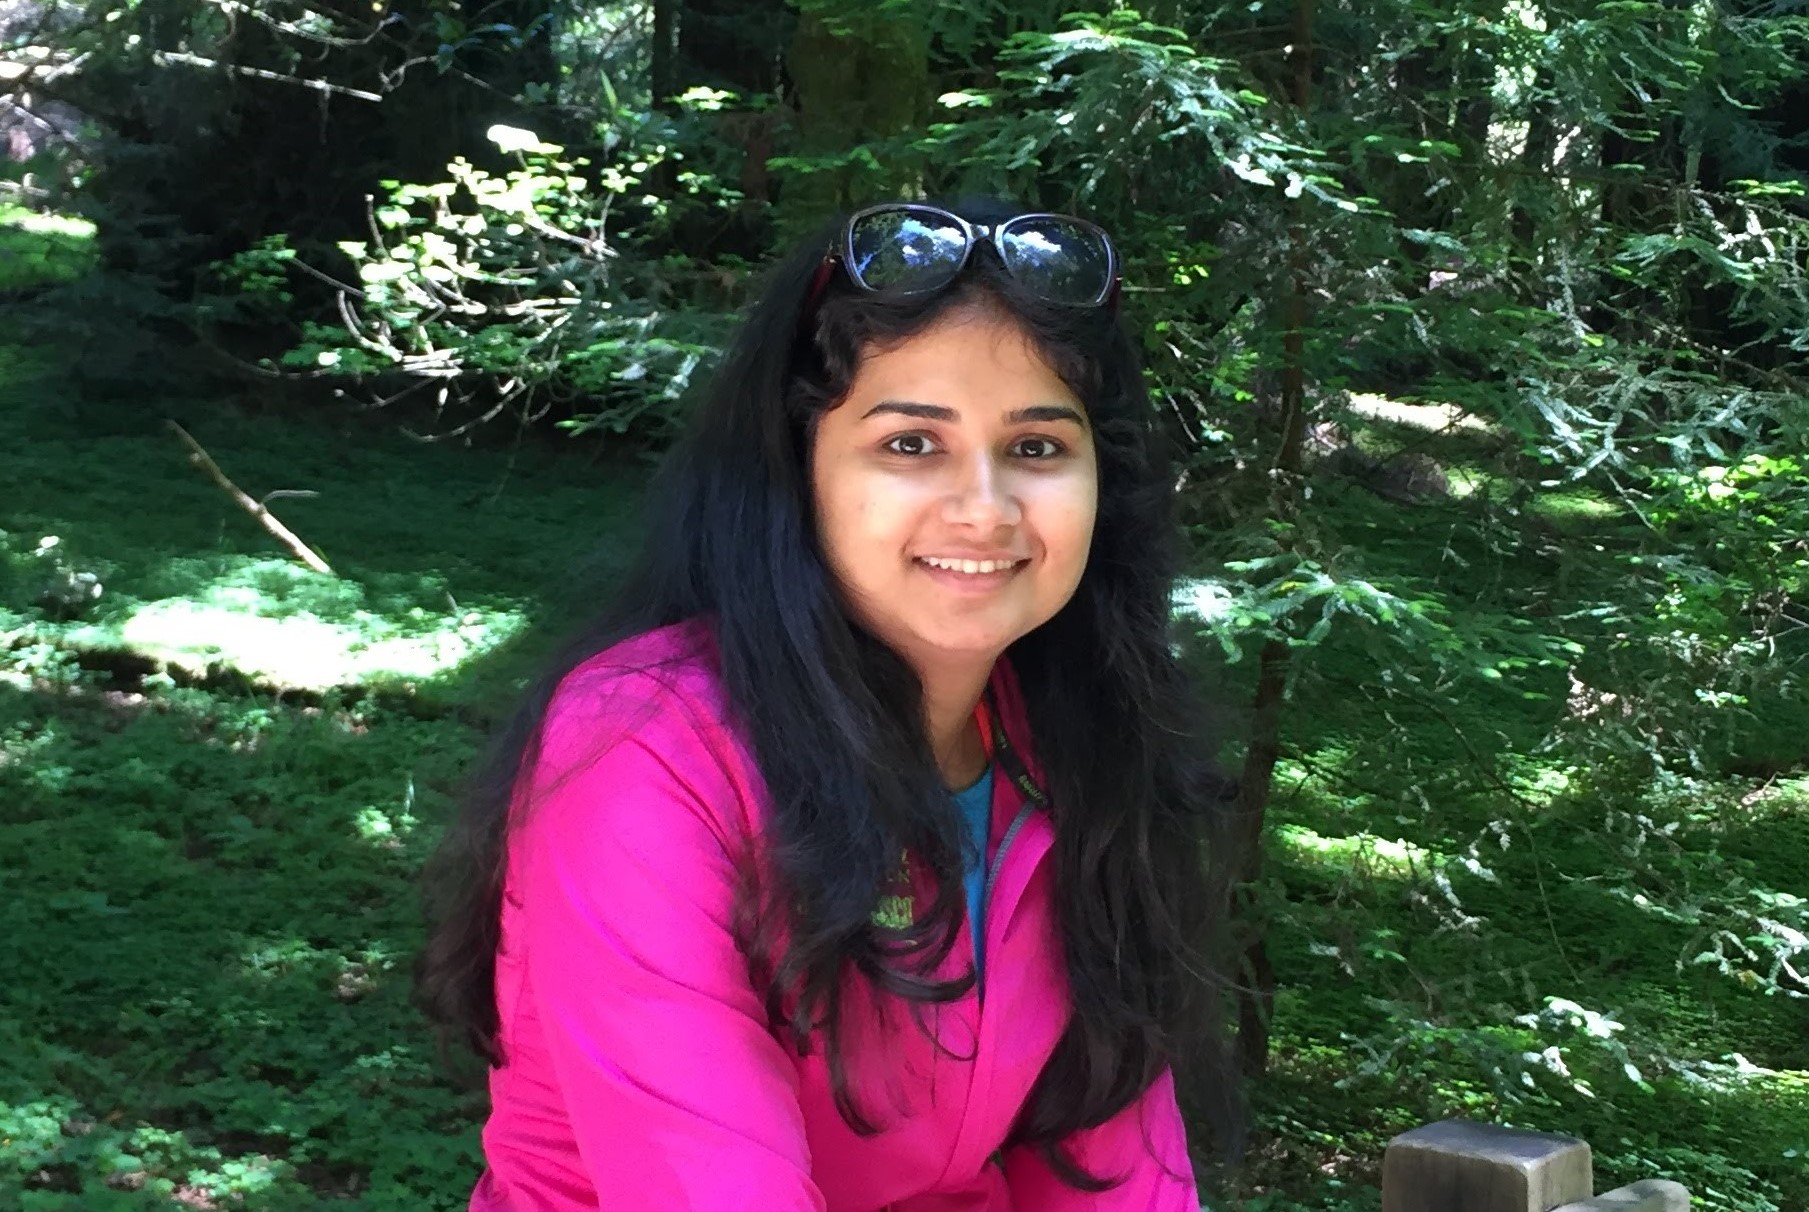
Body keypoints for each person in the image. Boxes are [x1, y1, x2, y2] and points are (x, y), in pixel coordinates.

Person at [416, 199, 1240, 1210]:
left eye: (1036, 448)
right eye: (909, 446)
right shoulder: (644, 745)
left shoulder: (1077, 747)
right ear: (798, 467)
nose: (984, 506)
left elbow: (1111, 1172)